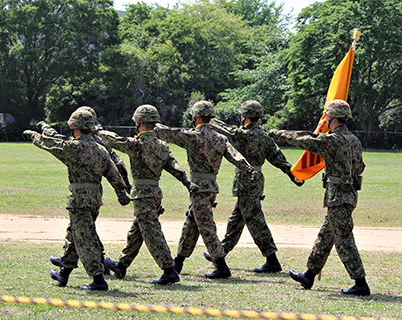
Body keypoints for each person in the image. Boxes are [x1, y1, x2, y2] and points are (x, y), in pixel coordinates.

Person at [269, 99, 370, 296]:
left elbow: (302, 139)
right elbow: (359, 167)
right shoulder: (353, 140)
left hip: (337, 196)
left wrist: (275, 133)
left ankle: (361, 283)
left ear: (331, 117)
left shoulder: (331, 140)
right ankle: (309, 274)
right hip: (349, 194)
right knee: (326, 236)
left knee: (343, 239)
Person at [22, 108, 131, 290]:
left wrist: (34, 136)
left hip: (79, 200)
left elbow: (51, 144)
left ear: (77, 128)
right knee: (77, 234)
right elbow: (114, 174)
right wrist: (121, 193)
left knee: (84, 238)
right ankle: (63, 274)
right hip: (95, 199)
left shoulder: (73, 148)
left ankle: (98, 279)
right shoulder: (101, 150)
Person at [154, 100, 259, 279]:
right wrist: (249, 169)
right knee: (191, 224)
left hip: (198, 188)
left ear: (197, 117)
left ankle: (221, 266)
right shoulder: (220, 138)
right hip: (211, 188)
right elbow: (236, 156)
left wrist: (152, 125)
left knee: (206, 227)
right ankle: (177, 262)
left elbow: (170, 133)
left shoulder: (193, 136)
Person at [202, 100, 304, 273]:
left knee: (255, 221)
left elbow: (225, 129)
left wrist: (207, 118)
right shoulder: (264, 136)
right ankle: (220, 252)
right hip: (257, 181)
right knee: (237, 219)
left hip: (246, 180)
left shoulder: (241, 134)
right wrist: (293, 175)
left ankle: (271, 259)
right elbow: (278, 158)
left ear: (245, 116)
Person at [98, 105, 194, 285]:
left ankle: (169, 270)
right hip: (155, 193)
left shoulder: (136, 144)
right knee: (138, 230)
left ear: (140, 123)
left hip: (142, 194)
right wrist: (188, 183)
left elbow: (114, 141)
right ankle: (121, 264)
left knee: (151, 232)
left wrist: (99, 131)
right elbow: (175, 168)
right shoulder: (162, 146)